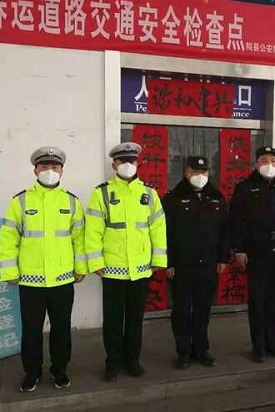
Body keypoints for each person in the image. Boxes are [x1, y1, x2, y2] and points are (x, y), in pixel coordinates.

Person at [0, 146, 87, 392]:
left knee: (61, 329)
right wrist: (10, 272)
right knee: (31, 330)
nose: (50, 171)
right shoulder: (20, 201)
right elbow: (8, 239)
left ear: (62, 171)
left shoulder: (72, 201)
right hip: (31, 280)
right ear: (35, 170)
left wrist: (80, 267)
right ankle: (32, 372)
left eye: (55, 167)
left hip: (62, 279)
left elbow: (79, 239)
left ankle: (60, 370)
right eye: (45, 167)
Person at [85, 142, 167, 382]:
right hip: (112, 269)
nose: (128, 165)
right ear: (114, 165)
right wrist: (95, 262)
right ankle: (112, 363)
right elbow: (93, 231)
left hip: (140, 269)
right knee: (112, 320)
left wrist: (158, 258)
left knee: (134, 319)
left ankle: (132, 360)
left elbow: (158, 228)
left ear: (137, 164)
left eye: (131, 161)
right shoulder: (101, 194)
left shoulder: (149, 194)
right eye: (122, 161)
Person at [230, 146, 275, 363]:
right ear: (256, 164)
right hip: (257, 251)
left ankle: (273, 343)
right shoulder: (245, 188)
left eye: (273, 160)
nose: (269, 164)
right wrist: (239, 249)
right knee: (258, 300)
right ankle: (258, 346)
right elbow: (235, 221)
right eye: (264, 160)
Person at [162, 156, 229, 370]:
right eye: (195, 171)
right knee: (181, 310)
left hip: (208, 264)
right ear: (186, 172)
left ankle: (201, 350)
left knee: (203, 310)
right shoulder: (173, 197)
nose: (200, 176)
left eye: (204, 172)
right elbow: (165, 232)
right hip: (182, 265)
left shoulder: (216, 197)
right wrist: (168, 262)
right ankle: (183, 352)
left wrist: (222, 258)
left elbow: (224, 231)